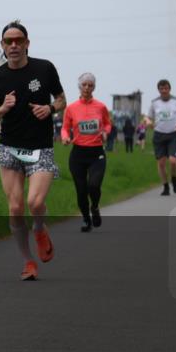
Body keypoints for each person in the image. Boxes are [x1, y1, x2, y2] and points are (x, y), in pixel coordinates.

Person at [0, 20, 66, 281]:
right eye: (9, 41)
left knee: (35, 202)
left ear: (28, 43)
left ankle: (39, 228)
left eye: (19, 40)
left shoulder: (45, 68)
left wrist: (50, 109)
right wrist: (2, 109)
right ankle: (28, 261)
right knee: (16, 207)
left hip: (41, 148)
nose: (14, 45)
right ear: (2, 46)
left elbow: (62, 99)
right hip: (10, 148)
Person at [61, 73, 112, 232]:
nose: (87, 88)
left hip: (96, 153)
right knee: (81, 189)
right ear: (79, 86)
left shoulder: (101, 107)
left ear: (94, 87)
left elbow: (107, 124)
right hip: (78, 154)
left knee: (94, 185)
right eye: (84, 85)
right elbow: (64, 127)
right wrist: (65, 137)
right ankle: (85, 218)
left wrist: (105, 132)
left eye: (90, 85)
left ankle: (95, 207)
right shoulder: (71, 108)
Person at [141, 80, 176, 196]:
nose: (164, 91)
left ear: (169, 89)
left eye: (166, 88)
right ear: (159, 90)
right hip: (159, 135)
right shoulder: (154, 103)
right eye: (161, 89)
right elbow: (148, 118)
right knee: (161, 163)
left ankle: (174, 179)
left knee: (173, 161)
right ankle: (165, 186)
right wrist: (148, 122)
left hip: (174, 134)